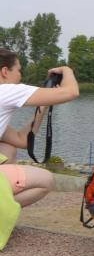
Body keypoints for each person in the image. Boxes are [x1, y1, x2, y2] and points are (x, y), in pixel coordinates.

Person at [0, 48, 80, 208]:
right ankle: (4, 209)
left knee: (8, 148)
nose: (20, 76)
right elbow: (71, 92)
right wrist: (67, 70)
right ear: (5, 72)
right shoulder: (5, 90)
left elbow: (21, 140)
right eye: (19, 70)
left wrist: (43, 105)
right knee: (46, 180)